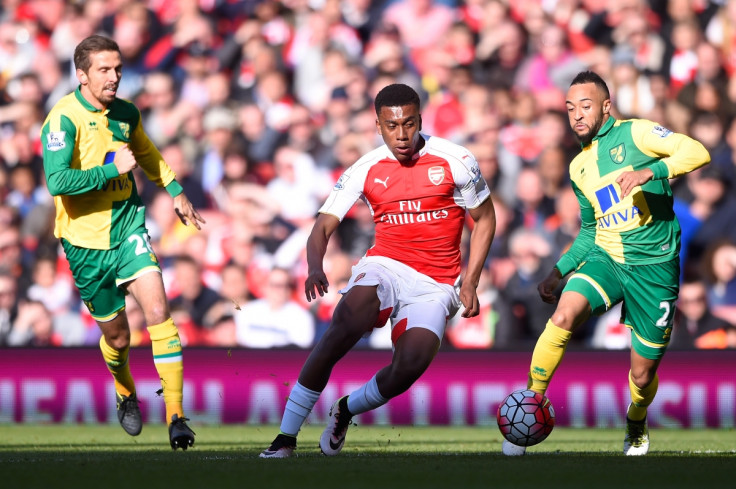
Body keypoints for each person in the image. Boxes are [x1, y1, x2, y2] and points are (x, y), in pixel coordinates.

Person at [260, 83, 497, 458]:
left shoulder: (456, 159)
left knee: (409, 366)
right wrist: (313, 267)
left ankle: (345, 409)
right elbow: (322, 226)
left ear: (420, 119)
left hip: (436, 282)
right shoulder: (365, 167)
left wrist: (470, 281)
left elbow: (484, 219)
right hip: (385, 265)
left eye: (409, 124)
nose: (401, 135)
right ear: (378, 125)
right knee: (346, 322)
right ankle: (286, 438)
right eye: (391, 125)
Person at [507, 71, 710, 457]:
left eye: (585, 106)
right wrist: (559, 271)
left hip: (655, 269)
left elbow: (698, 152)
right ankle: (529, 406)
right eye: (570, 109)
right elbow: (590, 229)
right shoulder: (578, 167)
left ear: (605, 105)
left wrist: (652, 170)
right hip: (609, 257)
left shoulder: (638, 134)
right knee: (564, 315)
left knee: (641, 374)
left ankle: (636, 419)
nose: (577, 115)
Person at [40, 35, 204, 450]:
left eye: (118, 69)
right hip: (84, 243)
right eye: (104, 70)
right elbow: (58, 181)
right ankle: (124, 389)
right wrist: (112, 168)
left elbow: (146, 152)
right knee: (118, 338)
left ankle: (176, 416)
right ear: (82, 75)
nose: (114, 77)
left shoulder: (126, 112)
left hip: (128, 226)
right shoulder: (62, 119)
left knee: (158, 310)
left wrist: (175, 189)